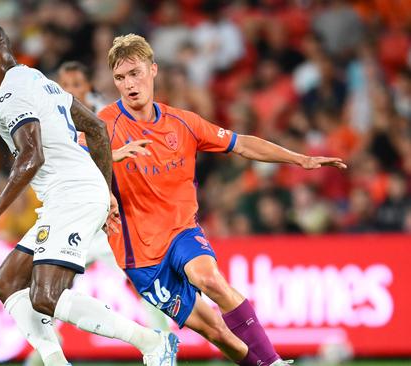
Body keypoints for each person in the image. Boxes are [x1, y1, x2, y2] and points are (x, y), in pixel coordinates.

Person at [97, 34, 347, 366]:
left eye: (135, 73)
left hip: (180, 231)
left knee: (209, 278)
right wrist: (105, 187)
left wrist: (299, 159)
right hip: (138, 254)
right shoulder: (105, 123)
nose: (129, 84)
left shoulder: (183, 123)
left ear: (153, 70)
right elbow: (76, 158)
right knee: (216, 331)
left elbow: (241, 143)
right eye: (120, 77)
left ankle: (273, 362)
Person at [0, 22, 178, 366]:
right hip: (74, 194)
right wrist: (105, 190)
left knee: (45, 296)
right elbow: (95, 128)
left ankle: (152, 342)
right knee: (7, 281)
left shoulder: (10, 94)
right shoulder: (36, 80)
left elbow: (32, 155)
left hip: (71, 195)